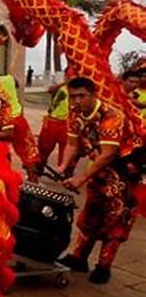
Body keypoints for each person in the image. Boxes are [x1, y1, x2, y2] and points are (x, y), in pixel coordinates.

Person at [57, 77, 143, 284]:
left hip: (123, 170)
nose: (77, 101)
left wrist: (80, 178)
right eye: (73, 96)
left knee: (116, 217)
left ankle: (104, 265)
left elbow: (108, 154)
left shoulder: (111, 116)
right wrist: (63, 166)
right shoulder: (75, 114)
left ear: (93, 94)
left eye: (82, 96)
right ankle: (79, 257)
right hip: (100, 169)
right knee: (91, 213)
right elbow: (71, 144)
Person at [0, 59, 40, 173]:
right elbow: (17, 84)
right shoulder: (9, 79)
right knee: (27, 150)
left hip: (1, 122)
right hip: (17, 117)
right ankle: (33, 177)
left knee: (1, 150)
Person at [38, 67, 74, 167]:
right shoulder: (61, 88)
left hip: (68, 125)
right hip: (52, 122)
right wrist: (64, 83)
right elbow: (50, 90)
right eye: (68, 76)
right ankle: (38, 168)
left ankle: (63, 173)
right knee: (44, 150)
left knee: (66, 153)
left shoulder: (77, 91)